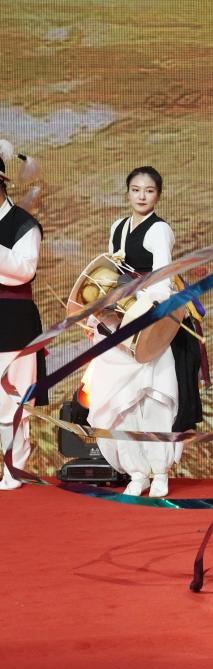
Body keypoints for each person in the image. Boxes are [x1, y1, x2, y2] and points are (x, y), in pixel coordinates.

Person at [84, 166, 203, 497]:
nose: (141, 196)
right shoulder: (118, 227)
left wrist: (139, 308)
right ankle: (136, 472)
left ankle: (160, 471)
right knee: (120, 403)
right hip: (118, 323)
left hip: (149, 323)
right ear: (128, 192)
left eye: (149, 191)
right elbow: (110, 272)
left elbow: (163, 280)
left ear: (158, 195)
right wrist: (106, 307)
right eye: (136, 190)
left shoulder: (159, 230)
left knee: (153, 399)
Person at [0, 141, 45, 490]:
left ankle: (13, 468)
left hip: (13, 320)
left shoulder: (24, 224)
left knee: (11, 400)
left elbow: (24, 270)